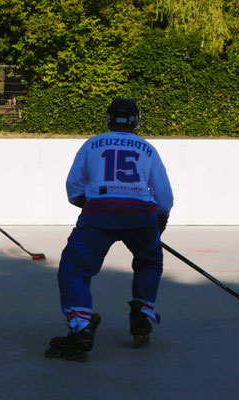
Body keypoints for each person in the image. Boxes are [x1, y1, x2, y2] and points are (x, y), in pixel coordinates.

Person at [44, 97, 174, 362]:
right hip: (141, 215)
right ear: (137, 119)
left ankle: (81, 327)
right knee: (149, 262)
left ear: (109, 118)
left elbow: (74, 189)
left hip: (99, 214)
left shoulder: (92, 144)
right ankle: (142, 315)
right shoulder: (148, 149)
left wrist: (92, 205)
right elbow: (164, 198)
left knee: (74, 269)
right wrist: (158, 221)